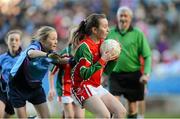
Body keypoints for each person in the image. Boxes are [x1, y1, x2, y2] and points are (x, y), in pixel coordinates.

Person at [71, 13, 126, 118]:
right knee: (104, 115)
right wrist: (102, 60)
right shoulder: (85, 47)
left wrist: (114, 58)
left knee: (121, 111)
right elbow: (84, 75)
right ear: (94, 30)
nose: (108, 30)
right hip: (81, 86)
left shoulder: (103, 44)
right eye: (105, 27)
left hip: (95, 85)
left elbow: (106, 72)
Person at [9, 26, 68, 118]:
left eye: (56, 39)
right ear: (43, 40)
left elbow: (61, 61)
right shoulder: (35, 46)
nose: (56, 41)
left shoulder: (52, 53)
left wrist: (74, 60)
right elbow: (31, 53)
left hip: (35, 87)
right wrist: (47, 55)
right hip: (17, 86)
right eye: (53, 39)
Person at [105, 6, 152, 118]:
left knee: (132, 109)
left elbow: (147, 56)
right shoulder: (110, 33)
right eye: (121, 15)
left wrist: (146, 74)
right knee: (113, 107)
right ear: (117, 17)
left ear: (130, 18)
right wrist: (103, 73)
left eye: (126, 15)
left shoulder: (138, 34)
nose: (123, 18)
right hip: (115, 74)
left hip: (133, 74)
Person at [48, 26, 85, 118]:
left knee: (79, 117)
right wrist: (51, 88)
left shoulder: (85, 52)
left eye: (80, 35)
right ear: (71, 38)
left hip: (79, 89)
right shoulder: (64, 53)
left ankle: (64, 113)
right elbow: (52, 72)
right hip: (65, 88)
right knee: (70, 117)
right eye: (75, 35)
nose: (78, 38)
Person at [0, 30, 22, 118]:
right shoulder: (1, 58)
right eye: (11, 40)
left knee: (7, 116)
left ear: (20, 42)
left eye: (16, 40)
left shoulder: (24, 58)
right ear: (7, 41)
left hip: (16, 93)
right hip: (2, 90)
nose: (14, 42)